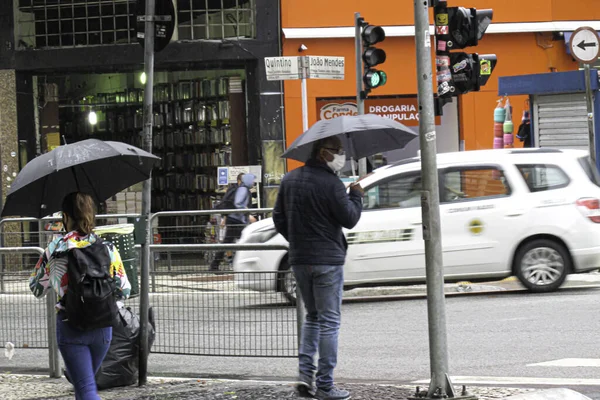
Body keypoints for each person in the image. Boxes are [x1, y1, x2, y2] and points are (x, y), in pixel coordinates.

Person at [273, 136, 364, 400]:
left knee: (311, 317)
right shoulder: (332, 183)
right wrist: (356, 196)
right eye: (337, 152)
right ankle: (325, 385)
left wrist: (297, 240)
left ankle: (304, 378)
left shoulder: (290, 179)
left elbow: (278, 216)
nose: (341, 156)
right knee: (329, 322)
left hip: (300, 259)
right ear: (323, 153)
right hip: (327, 260)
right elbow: (349, 219)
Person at [29, 192, 131, 400]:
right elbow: (124, 289)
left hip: (71, 326)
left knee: (85, 389)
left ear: (65, 217)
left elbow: (36, 288)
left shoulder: (57, 248)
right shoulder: (107, 247)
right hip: (103, 327)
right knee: (84, 386)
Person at [210, 173, 257, 271]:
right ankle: (216, 265)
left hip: (235, 220)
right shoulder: (241, 190)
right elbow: (236, 204)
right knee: (245, 241)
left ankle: (216, 265)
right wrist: (248, 215)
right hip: (236, 220)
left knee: (231, 242)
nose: (253, 182)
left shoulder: (237, 189)